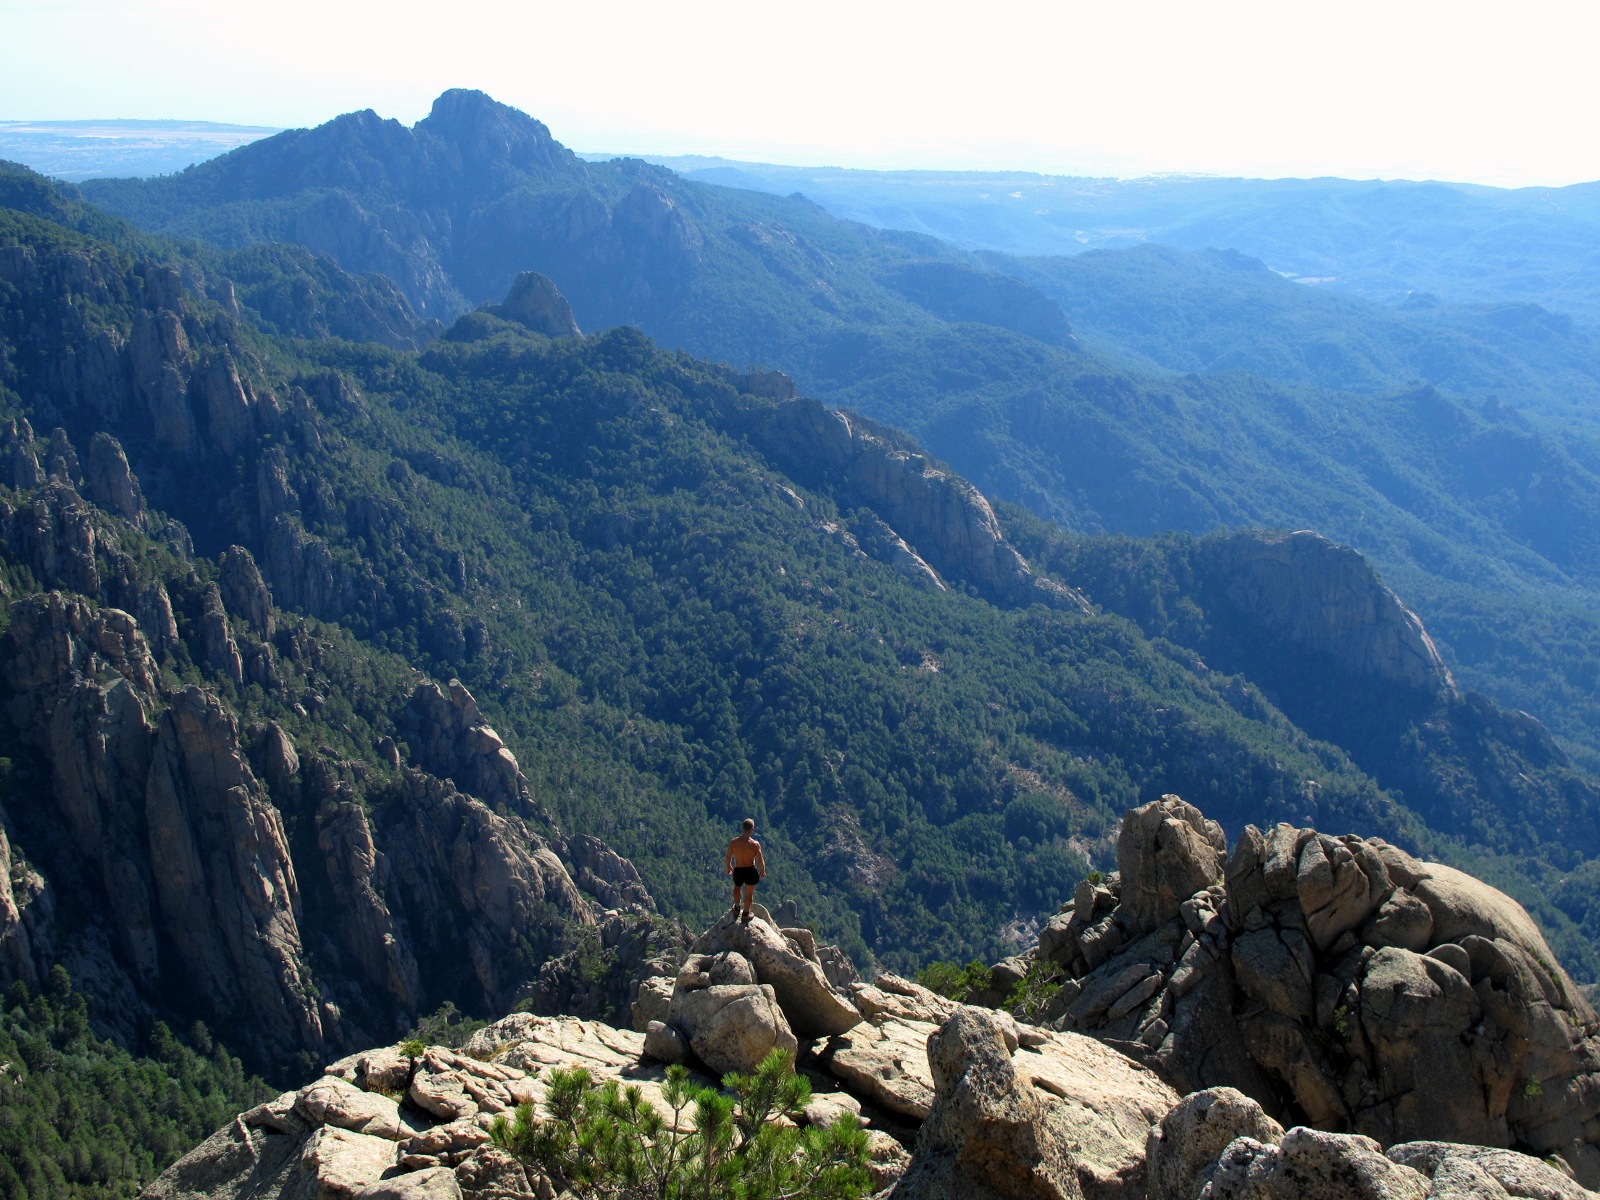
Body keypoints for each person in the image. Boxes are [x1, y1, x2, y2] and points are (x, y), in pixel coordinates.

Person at [725, 818, 766, 923]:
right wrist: (762, 870)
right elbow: (760, 860)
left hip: (738, 869)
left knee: (737, 888)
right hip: (750, 870)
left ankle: (737, 907)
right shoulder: (754, 844)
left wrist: (729, 866)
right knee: (749, 894)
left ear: (742, 828)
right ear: (752, 829)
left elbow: (728, 856)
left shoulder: (734, 842)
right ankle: (746, 913)